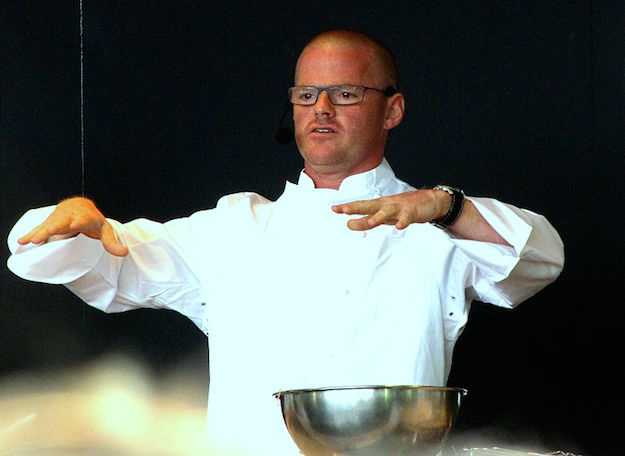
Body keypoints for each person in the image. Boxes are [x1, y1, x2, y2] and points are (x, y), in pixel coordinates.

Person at [7, 30, 564, 454]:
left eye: (345, 93)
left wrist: (447, 206)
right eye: (307, 94)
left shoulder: (440, 229)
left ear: (392, 109)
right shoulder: (233, 230)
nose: (322, 108)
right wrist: (75, 220)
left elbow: (540, 259)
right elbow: (113, 262)